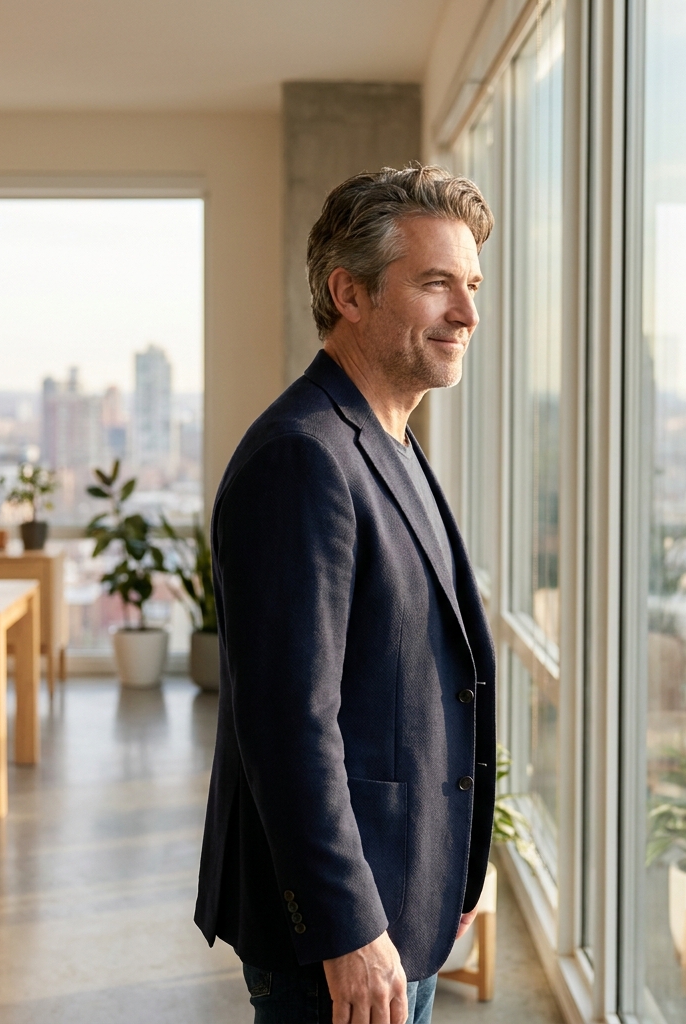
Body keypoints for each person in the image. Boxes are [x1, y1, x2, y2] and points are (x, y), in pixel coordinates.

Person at [195, 165, 496, 1024]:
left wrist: (448, 871)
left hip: (405, 898)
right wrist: (348, 928)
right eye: (436, 283)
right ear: (349, 293)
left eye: (472, 286)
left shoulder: (388, 440)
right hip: (343, 937)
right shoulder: (302, 457)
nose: (467, 314)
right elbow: (287, 723)